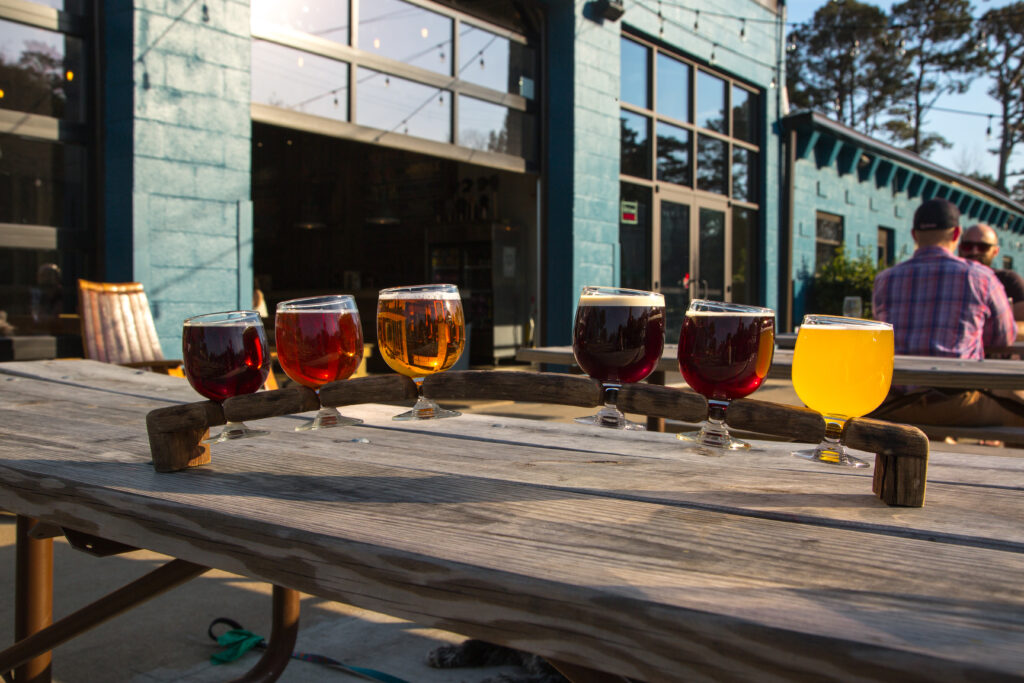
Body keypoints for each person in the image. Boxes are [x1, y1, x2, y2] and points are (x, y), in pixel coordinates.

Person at [870, 198, 1024, 427]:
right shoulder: (981, 277)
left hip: (894, 404)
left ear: (914, 235)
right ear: (956, 235)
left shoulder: (884, 279)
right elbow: (1003, 338)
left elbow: (879, 337)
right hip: (956, 404)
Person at [959, 222, 1024, 339]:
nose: (974, 252)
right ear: (959, 247)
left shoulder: (1009, 280)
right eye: (967, 246)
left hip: (995, 356)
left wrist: (983, 330)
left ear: (995, 251)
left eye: (983, 247)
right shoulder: (950, 280)